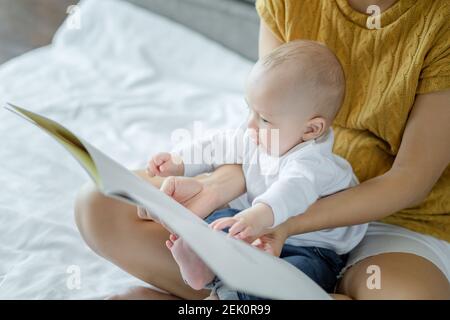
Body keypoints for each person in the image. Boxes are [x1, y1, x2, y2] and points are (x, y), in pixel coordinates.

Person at [74, 0, 450, 299]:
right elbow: (247, 132)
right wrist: (209, 179)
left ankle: (222, 295)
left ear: (315, 129)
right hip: (263, 201)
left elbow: (408, 180)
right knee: (101, 204)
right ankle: (237, 291)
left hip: (394, 218)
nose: (251, 121)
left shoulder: (440, 19)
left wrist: (280, 222)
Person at [144, 40, 367, 299]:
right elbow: (217, 145)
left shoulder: (313, 162)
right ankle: (203, 265)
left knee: (290, 280)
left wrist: (258, 216)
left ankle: (228, 291)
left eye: (264, 118)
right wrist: (179, 161)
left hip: (310, 248)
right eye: (249, 108)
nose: (250, 124)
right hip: (252, 226)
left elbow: (292, 190)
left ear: (310, 129)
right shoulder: (258, 134)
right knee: (214, 223)